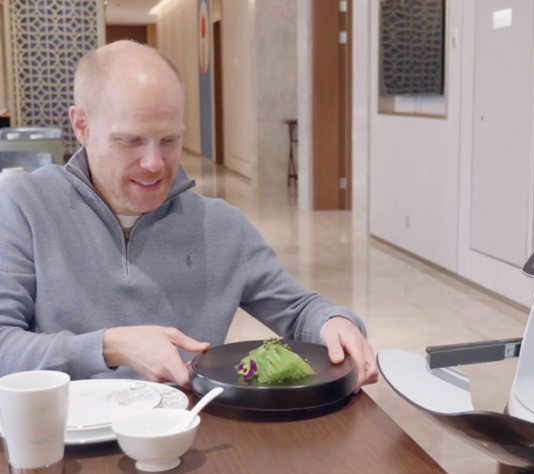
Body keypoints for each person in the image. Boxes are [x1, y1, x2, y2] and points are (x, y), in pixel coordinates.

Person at [0, 40, 378, 389]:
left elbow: (300, 312)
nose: (154, 163)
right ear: (82, 126)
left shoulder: (221, 227)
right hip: (64, 443)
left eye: (170, 140)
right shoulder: (24, 205)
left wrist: (335, 322)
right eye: (130, 140)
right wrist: (108, 347)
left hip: (191, 439)